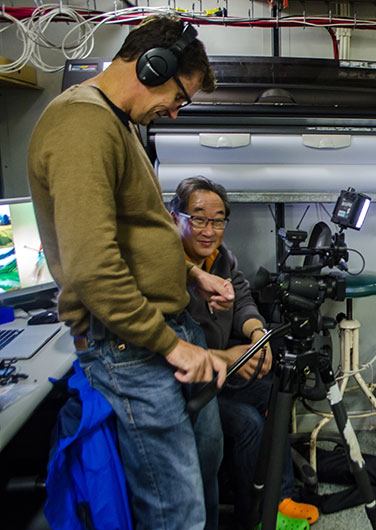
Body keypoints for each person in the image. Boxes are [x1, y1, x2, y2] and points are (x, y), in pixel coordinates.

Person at [27, 15, 234, 530]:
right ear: (151, 65)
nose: (176, 112)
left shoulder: (115, 122)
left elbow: (135, 233)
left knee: (206, 471)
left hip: (159, 328)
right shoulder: (82, 123)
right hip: (132, 346)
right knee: (175, 511)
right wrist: (171, 345)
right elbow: (93, 267)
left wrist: (190, 274)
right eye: (180, 96)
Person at [169, 176, 320, 529]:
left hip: (223, 373)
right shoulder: (168, 270)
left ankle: (280, 499)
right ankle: (250, 514)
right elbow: (175, 346)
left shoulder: (222, 259)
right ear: (176, 218)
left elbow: (243, 302)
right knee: (249, 424)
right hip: (187, 387)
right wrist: (231, 357)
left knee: (273, 394)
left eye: (218, 220)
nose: (209, 230)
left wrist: (258, 337)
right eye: (199, 218)